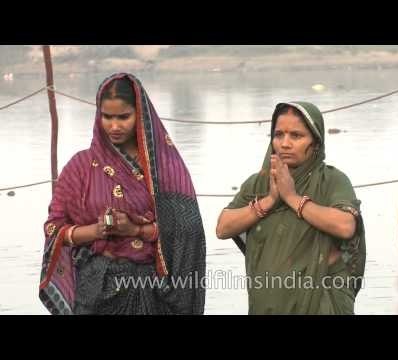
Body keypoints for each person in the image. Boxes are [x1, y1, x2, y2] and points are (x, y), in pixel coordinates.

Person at [39, 73, 206, 315]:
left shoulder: (164, 168)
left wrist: (136, 230)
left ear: (140, 114)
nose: (114, 126)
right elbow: (54, 229)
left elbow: (187, 231)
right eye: (107, 117)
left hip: (152, 290)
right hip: (96, 289)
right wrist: (95, 231)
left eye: (124, 117)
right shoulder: (80, 167)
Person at [216, 101, 366, 315]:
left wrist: (292, 197)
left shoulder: (332, 181)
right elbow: (223, 228)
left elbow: (345, 226)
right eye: (278, 135)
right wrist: (269, 201)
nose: (285, 143)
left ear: (315, 141)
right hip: (265, 305)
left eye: (296, 136)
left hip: (321, 306)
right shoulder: (259, 183)